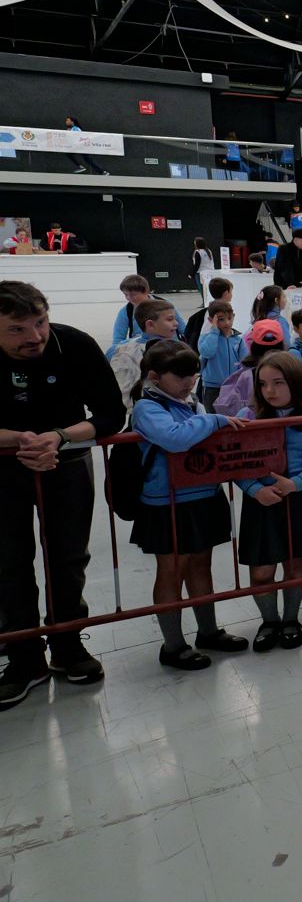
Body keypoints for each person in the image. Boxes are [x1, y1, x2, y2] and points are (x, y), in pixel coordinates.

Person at [0, 281, 123, 710]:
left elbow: (111, 414)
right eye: (16, 329)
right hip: (2, 469)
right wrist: (14, 439)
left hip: (67, 462)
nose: (33, 336)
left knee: (68, 558)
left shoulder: (74, 345)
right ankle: (23, 659)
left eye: (39, 322)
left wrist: (58, 437)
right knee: (8, 562)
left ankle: (68, 645)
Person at [128, 340, 249, 670]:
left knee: (200, 564)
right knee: (172, 570)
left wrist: (208, 417)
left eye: (193, 377)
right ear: (154, 376)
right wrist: (215, 420)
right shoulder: (147, 407)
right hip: (166, 503)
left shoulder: (189, 402)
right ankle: (173, 644)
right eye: (180, 377)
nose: (188, 383)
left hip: (201, 495)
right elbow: (174, 438)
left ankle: (208, 631)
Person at [236, 352, 302, 653]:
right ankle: (269, 620)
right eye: (264, 384)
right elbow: (235, 464)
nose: (270, 391)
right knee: (261, 572)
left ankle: (291, 619)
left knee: (294, 564)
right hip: (261, 503)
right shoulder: (247, 419)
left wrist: (294, 484)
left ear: (294, 382)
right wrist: (254, 489)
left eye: (278, 383)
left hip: (300, 500)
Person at [197, 300, 244, 412]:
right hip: (212, 387)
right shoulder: (205, 338)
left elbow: (245, 362)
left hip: (233, 386)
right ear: (211, 320)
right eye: (221, 319)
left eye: (229, 318)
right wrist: (214, 332)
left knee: (234, 416)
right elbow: (207, 352)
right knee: (213, 418)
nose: (227, 323)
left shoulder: (238, 340)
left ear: (233, 316)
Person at [108, 273, 152, 354]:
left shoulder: (165, 305)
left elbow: (182, 328)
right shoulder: (126, 311)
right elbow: (118, 339)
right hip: (139, 350)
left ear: (146, 291)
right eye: (125, 294)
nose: (128, 298)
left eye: (133, 294)